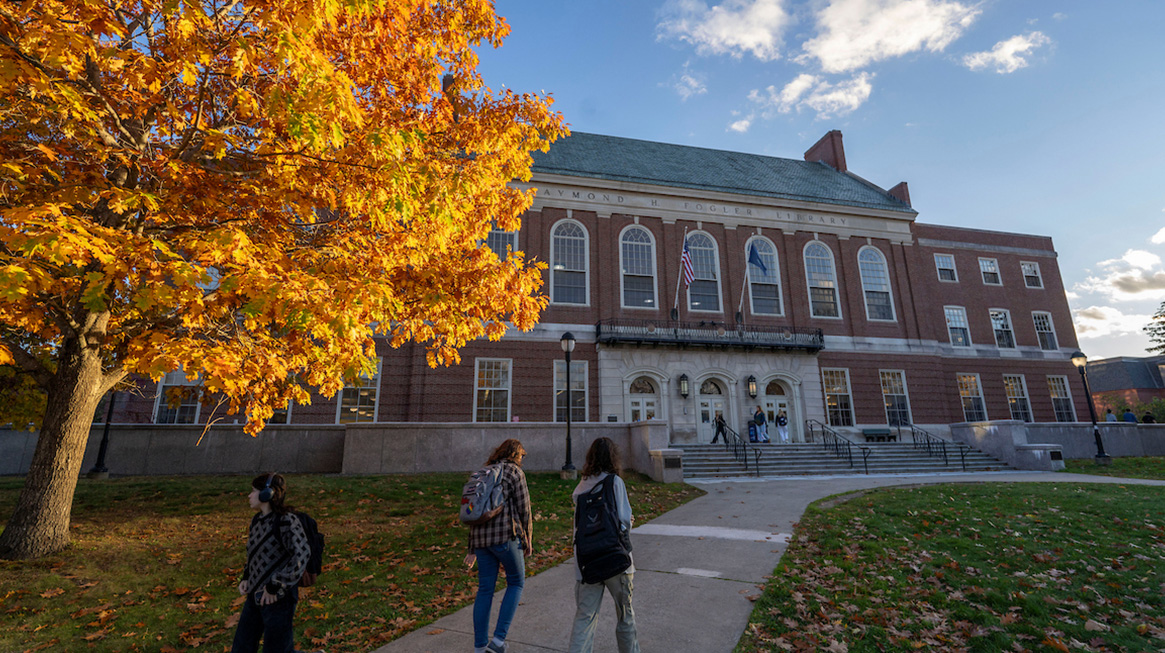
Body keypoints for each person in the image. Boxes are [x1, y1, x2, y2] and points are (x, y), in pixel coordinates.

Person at [568, 437, 640, 653]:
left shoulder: (580, 488)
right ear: (613, 457)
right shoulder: (614, 482)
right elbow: (624, 521)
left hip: (587, 563)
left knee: (584, 618)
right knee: (625, 616)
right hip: (616, 561)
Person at [465, 439, 532, 653]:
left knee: (485, 590)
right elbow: (524, 509)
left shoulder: (484, 472)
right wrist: (529, 538)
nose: (522, 459)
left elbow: (473, 512)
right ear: (514, 454)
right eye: (521, 455)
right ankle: (498, 641)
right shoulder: (514, 473)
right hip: (505, 538)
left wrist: (471, 548)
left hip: (481, 541)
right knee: (516, 582)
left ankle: (479, 647)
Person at [231, 473, 311, 653]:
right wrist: (246, 577)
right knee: (242, 647)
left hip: (278, 598)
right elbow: (254, 554)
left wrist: (276, 586)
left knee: (277, 650)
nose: (249, 495)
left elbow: (301, 555)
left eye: (253, 491)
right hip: (255, 594)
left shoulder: (286, 521)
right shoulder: (256, 521)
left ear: (267, 494)